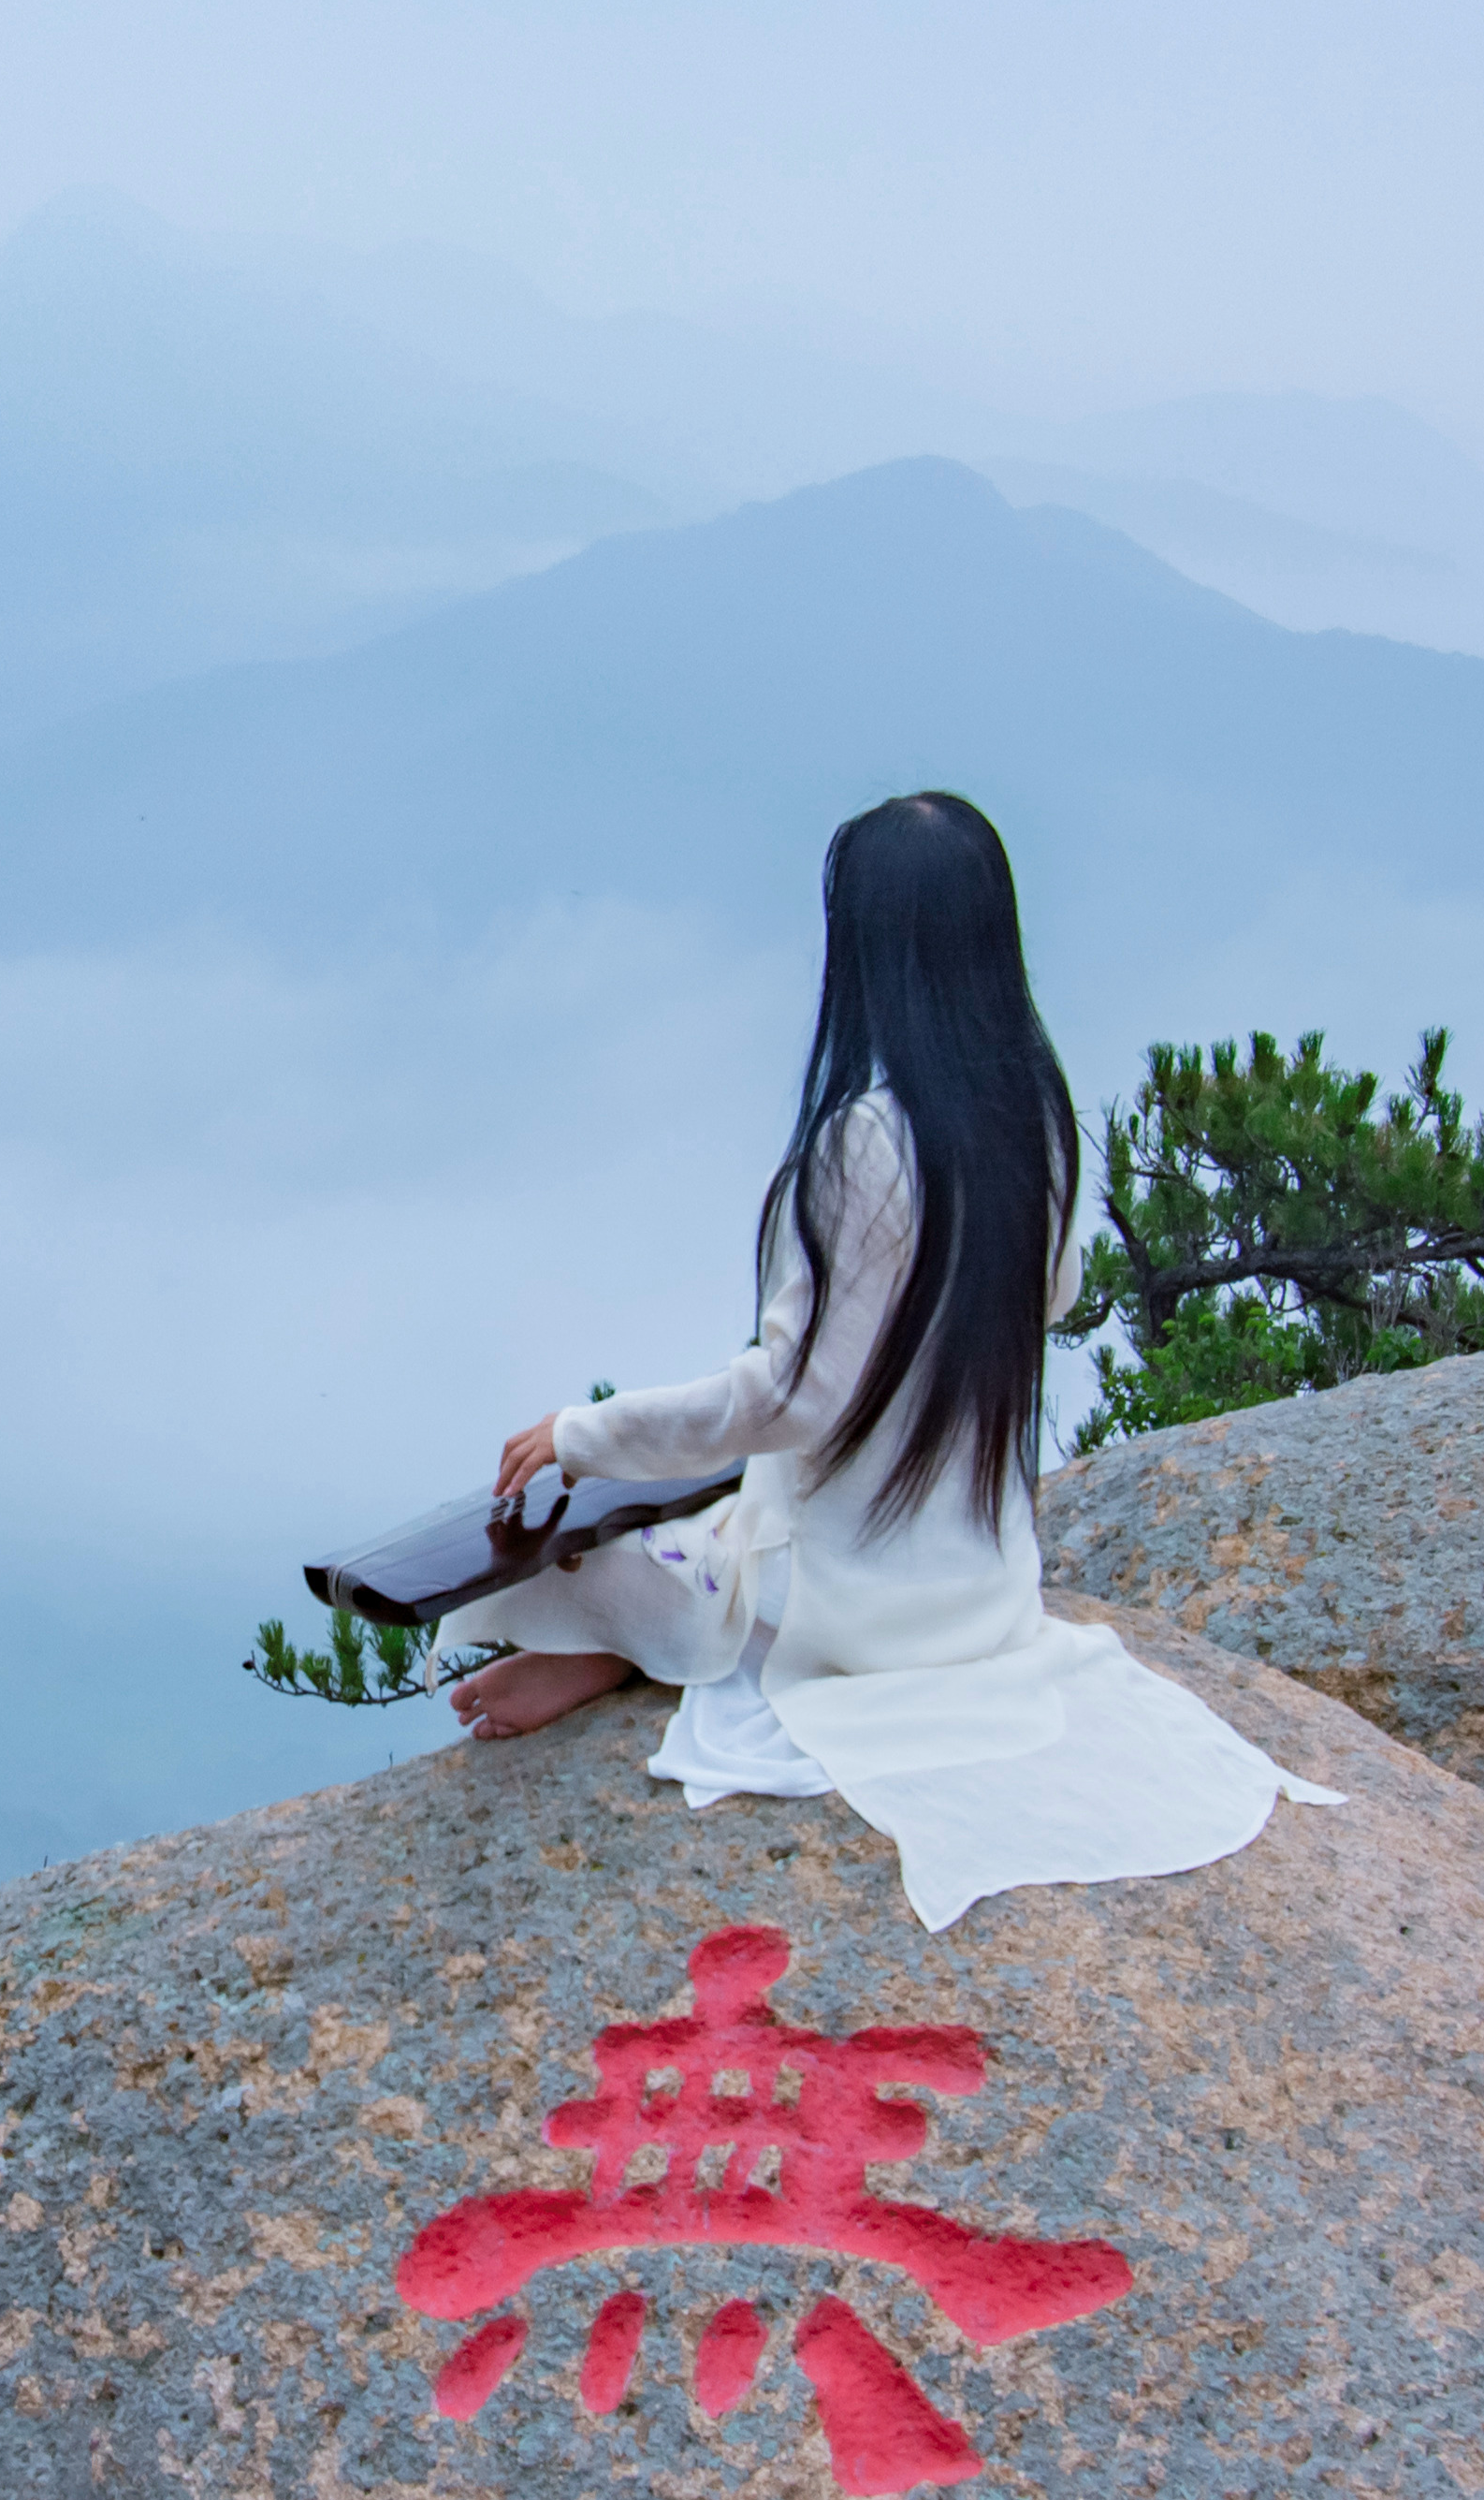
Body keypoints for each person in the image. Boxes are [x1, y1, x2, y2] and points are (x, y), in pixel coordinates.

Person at [441, 791, 1337, 1932]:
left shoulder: (860, 1142)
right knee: (718, 1511)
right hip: (984, 1589)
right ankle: (648, 1649)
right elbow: (1053, 1297)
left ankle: (623, 1656)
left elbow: (791, 1395)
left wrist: (586, 1431)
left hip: (847, 1612)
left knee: (578, 1557)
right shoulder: (1040, 1116)